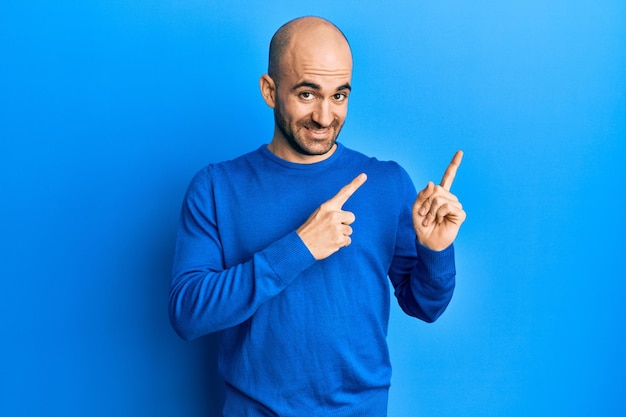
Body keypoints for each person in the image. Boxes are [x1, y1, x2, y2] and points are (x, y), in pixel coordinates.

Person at [169, 16, 466, 417]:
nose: (325, 117)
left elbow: (425, 306)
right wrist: (299, 247)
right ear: (270, 90)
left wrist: (436, 252)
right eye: (308, 94)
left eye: (339, 96)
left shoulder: (386, 182)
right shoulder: (216, 187)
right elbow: (188, 314)